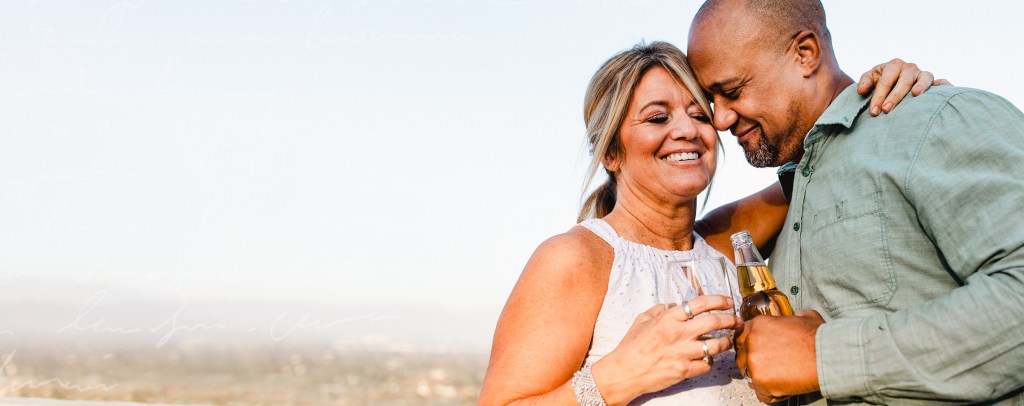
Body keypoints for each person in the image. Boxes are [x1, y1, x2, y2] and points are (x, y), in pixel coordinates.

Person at [478, 39, 937, 405]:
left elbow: (821, 160)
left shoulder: (724, 241)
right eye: (657, 117)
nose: (687, 130)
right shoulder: (576, 259)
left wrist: (894, 98)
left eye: (699, 114)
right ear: (611, 152)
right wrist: (619, 376)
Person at [686, 1, 1024, 405]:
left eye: (732, 91)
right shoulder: (789, 200)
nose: (720, 119)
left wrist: (822, 356)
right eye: (711, 101)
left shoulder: (935, 120)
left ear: (805, 54)